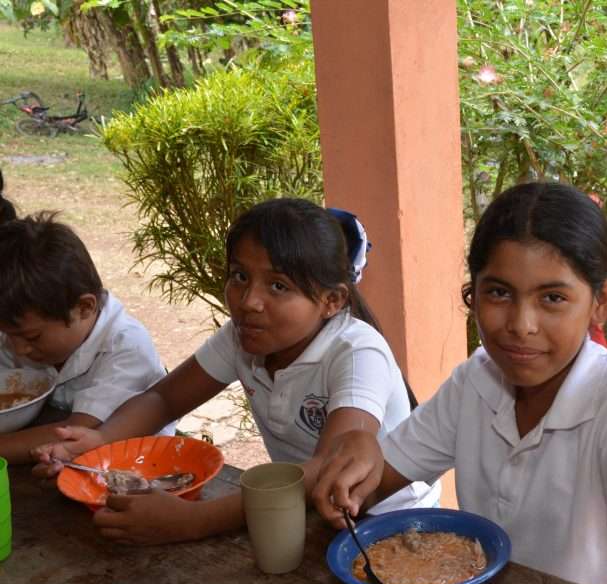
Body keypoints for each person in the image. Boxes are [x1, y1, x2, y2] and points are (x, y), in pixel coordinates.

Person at [311, 182, 607, 584]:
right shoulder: (476, 381)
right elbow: (378, 479)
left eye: (553, 298)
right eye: (499, 293)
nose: (521, 324)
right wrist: (356, 466)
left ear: (601, 301)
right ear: (473, 293)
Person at [34, 198, 439, 544]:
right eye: (240, 277)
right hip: (297, 512)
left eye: (278, 286)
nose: (249, 302)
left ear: (331, 301)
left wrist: (194, 521)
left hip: (392, 523)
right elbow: (163, 398)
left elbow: (328, 467)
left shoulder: (356, 352)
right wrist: (100, 440)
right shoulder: (242, 337)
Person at [0, 212, 172, 465]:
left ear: (84, 308)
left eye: (32, 337)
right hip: (51, 456)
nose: (18, 349)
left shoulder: (125, 348)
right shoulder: (22, 328)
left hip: (135, 465)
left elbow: (73, 434)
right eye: (8, 335)